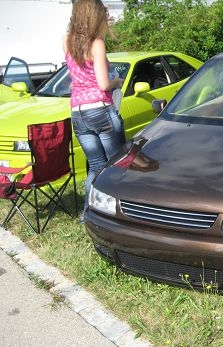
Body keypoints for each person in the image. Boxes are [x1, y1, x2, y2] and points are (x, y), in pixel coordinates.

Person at [63, 0, 125, 222]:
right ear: (94, 16)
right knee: (116, 165)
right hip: (100, 110)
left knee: (96, 166)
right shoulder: (96, 43)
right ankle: (116, 216)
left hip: (78, 112)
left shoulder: (67, 41)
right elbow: (102, 84)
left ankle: (88, 214)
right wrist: (117, 81)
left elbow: (76, 78)